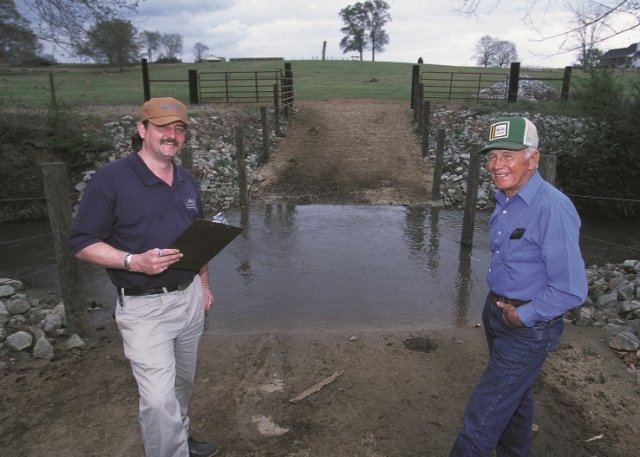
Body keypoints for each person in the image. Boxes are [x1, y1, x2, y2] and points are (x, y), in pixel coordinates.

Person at [68, 97, 219, 457]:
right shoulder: (112, 179)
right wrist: (133, 261)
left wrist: (205, 284)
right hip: (143, 308)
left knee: (182, 385)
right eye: (163, 126)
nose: (172, 134)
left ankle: (180, 439)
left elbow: (197, 237)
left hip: (190, 299)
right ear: (142, 130)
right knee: (157, 400)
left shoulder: (185, 180)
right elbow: (81, 243)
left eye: (179, 128)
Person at [449, 116, 588, 457]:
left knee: (484, 412)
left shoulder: (552, 208)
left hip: (528, 326)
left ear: (533, 159)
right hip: (497, 313)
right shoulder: (506, 200)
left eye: (508, 155)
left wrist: (524, 315)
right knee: (516, 397)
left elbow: (571, 288)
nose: (497, 165)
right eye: (492, 156)